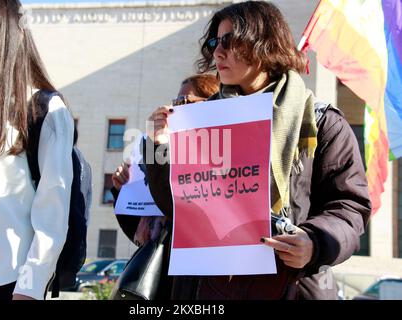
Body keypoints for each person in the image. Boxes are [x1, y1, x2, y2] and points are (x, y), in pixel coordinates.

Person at [145, 1, 371, 300]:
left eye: (229, 41)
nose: (218, 52)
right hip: (207, 289)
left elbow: (349, 207)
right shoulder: (201, 122)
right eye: (215, 42)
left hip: (288, 285)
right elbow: (177, 208)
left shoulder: (320, 122)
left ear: (263, 44)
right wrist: (157, 147)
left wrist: (314, 242)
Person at [0, 0, 74, 300]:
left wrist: (30, 288)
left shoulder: (45, 109)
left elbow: (52, 213)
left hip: (10, 282)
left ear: (8, 31)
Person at [111, 73, 219, 299]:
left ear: (211, 104)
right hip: (161, 281)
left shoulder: (215, 158)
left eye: (184, 102)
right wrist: (123, 191)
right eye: (175, 102)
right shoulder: (163, 147)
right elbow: (140, 235)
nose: (174, 109)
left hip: (199, 283)